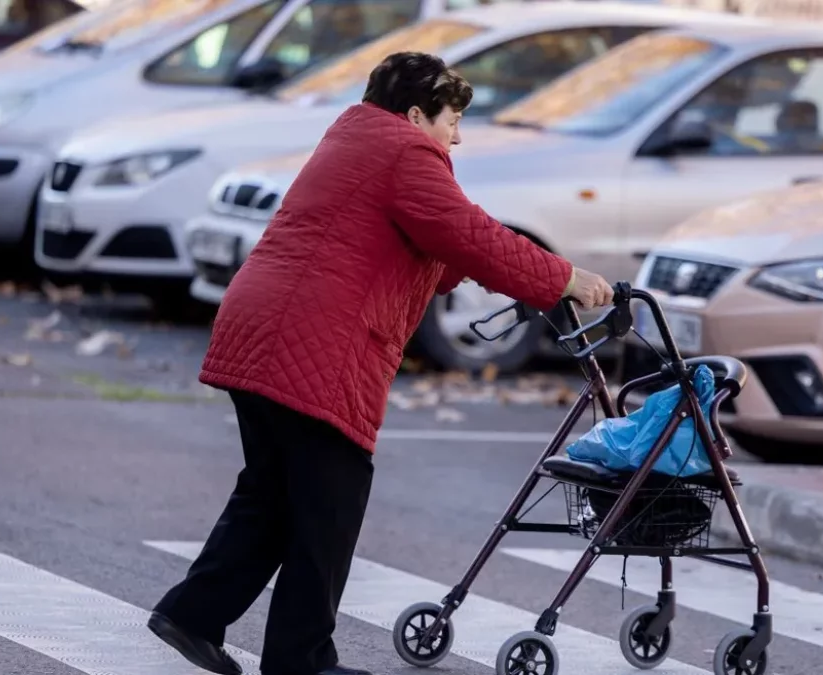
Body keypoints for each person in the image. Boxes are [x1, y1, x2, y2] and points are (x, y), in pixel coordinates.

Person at [146, 51, 615, 675]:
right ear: (417, 112)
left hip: (261, 326)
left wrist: (512, 273)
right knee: (329, 503)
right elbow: (466, 234)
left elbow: (445, 248)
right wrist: (563, 278)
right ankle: (300, 660)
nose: (458, 134)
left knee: (274, 494)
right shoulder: (404, 152)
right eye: (452, 120)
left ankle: (193, 616)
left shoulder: (355, 139)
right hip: (315, 339)